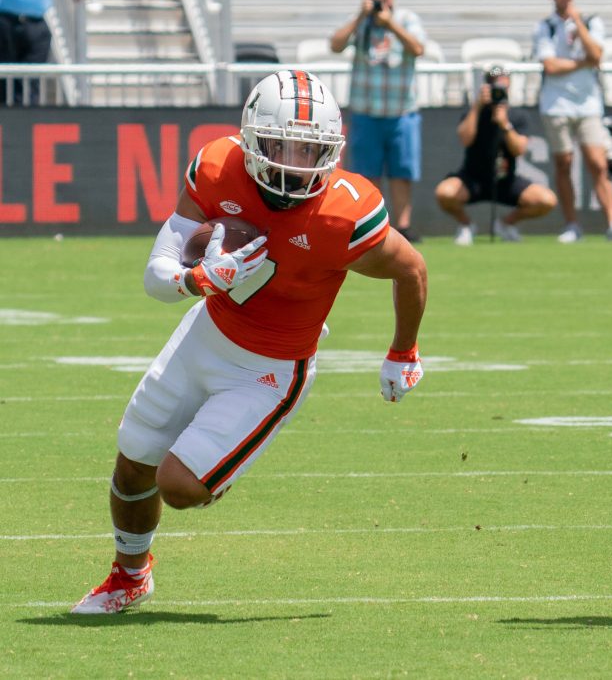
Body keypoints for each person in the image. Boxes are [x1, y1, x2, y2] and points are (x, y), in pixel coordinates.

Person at [70, 70, 428, 614]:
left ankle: (219, 469)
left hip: (271, 369)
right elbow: (156, 275)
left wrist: (403, 350)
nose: (294, 163)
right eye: (281, 145)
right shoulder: (217, 166)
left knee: (179, 485)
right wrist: (199, 279)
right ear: (251, 138)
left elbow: (412, 269)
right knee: (133, 461)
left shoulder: (345, 211)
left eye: (310, 150)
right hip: (206, 332)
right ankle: (129, 577)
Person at [533, 0, 612, 244]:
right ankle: (571, 225)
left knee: (598, 164)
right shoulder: (545, 26)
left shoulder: (591, 21)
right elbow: (550, 66)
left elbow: (596, 55)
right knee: (563, 164)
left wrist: (578, 23)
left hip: (588, 105)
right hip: (555, 105)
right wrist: (582, 63)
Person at [330, 0, 426, 242]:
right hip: (366, 113)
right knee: (365, 174)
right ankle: (369, 223)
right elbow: (336, 45)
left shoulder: (407, 19)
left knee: (402, 173)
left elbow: (418, 49)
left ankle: (403, 227)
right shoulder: (360, 20)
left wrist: (391, 24)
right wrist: (360, 17)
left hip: (401, 112)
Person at [435, 65, 557, 246]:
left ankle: (506, 224)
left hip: (505, 180)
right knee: (444, 193)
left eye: (503, 88)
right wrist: (477, 106)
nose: (499, 92)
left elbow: (519, 150)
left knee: (546, 200)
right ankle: (466, 225)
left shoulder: (517, 116)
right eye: (495, 88)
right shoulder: (474, 113)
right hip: (472, 178)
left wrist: (505, 124)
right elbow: (465, 139)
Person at [0, 0, 54, 105]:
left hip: (37, 22)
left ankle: (25, 120)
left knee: (31, 83)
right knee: (3, 83)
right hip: (5, 21)